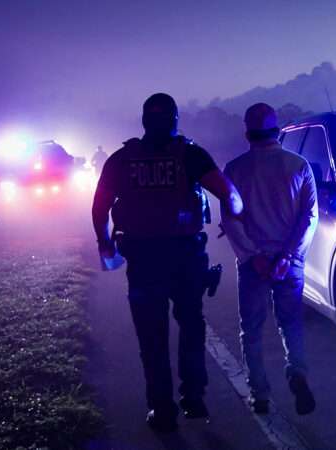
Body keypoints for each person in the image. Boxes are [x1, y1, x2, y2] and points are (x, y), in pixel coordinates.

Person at [92, 93, 243, 432]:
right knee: (191, 326)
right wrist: (232, 218)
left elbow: (99, 208)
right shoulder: (191, 154)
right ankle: (194, 399)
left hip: (143, 261)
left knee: (152, 338)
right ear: (176, 119)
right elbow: (231, 197)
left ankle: (161, 410)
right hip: (186, 259)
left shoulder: (121, 159)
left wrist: (105, 246)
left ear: (144, 122)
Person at [222, 103, 318, 415]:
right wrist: (289, 256)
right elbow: (310, 217)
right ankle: (298, 374)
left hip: (253, 264)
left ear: (247, 132)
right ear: (277, 130)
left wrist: (252, 256)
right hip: (289, 263)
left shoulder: (234, 169)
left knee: (251, 330)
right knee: (291, 324)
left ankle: (259, 394)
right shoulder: (299, 164)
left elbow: (230, 219)